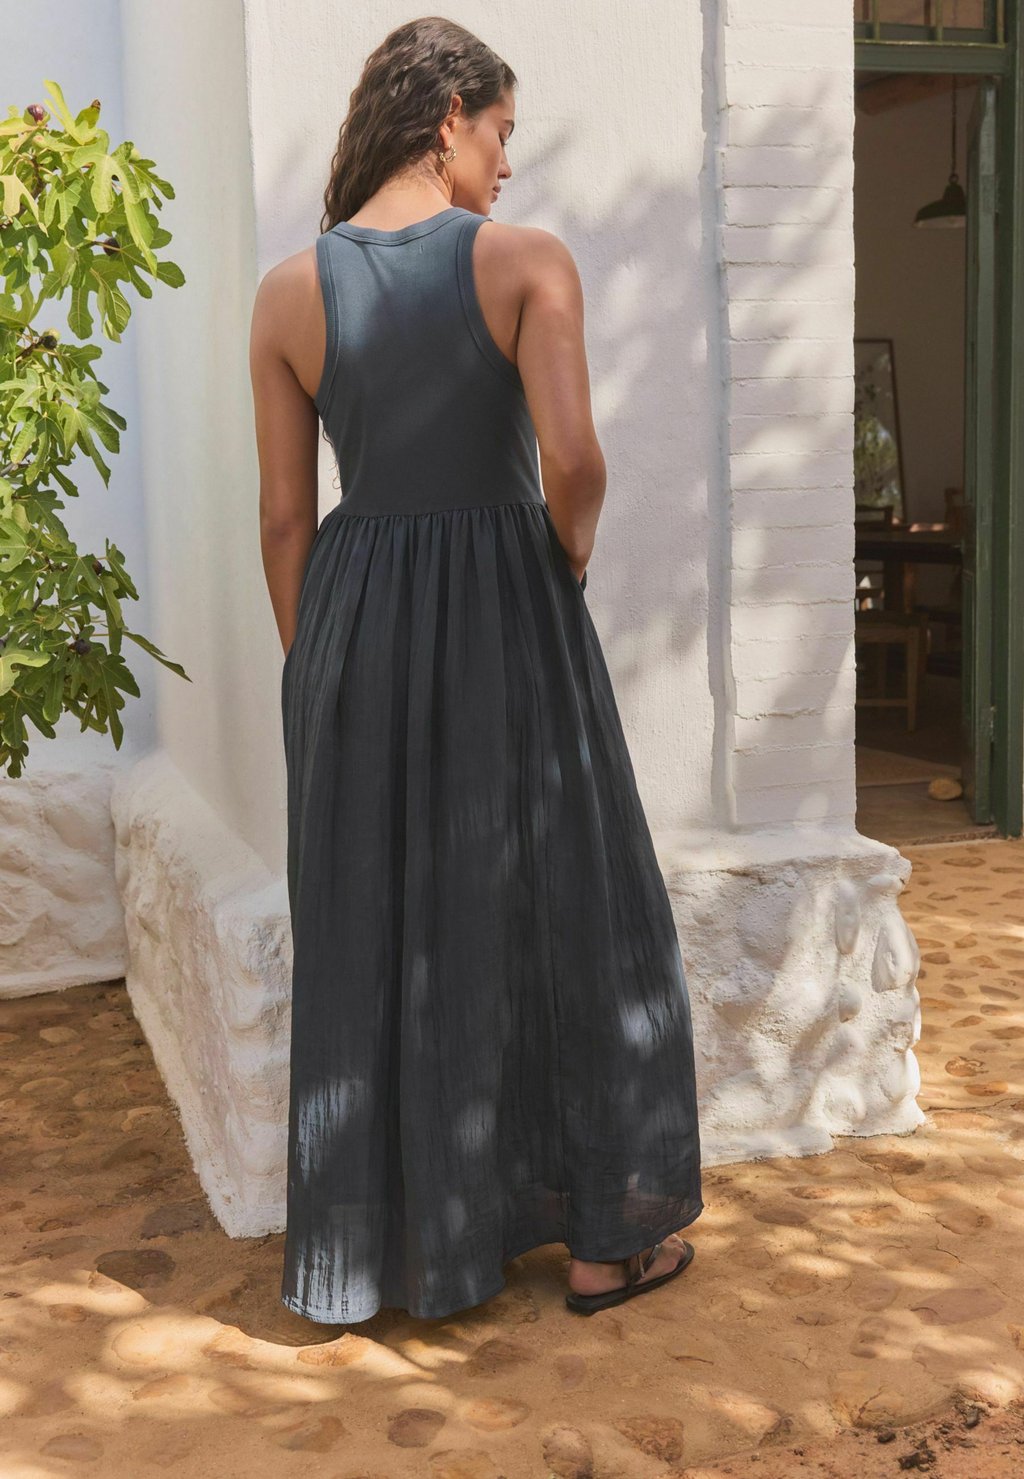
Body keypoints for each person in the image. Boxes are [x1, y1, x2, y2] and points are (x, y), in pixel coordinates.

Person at [249, 16, 703, 1324]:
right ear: (448, 114)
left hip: (351, 619)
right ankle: (603, 1244)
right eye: (502, 132)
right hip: (509, 605)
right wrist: (565, 557)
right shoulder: (525, 264)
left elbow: (283, 520)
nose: (507, 163)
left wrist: (318, 668)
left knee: (380, 927)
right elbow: (579, 461)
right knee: (575, 907)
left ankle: (393, 1255)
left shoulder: (288, 293)